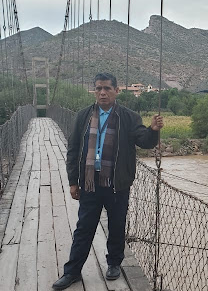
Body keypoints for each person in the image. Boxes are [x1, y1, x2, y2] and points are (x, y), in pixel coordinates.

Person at [52, 73, 164, 290]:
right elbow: (73, 149)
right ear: (94, 91)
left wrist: (153, 131)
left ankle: (113, 263)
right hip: (89, 183)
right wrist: (73, 182)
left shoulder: (129, 117)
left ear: (116, 91)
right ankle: (72, 272)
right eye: (98, 89)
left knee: (116, 226)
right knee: (84, 228)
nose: (102, 93)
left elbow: (144, 141)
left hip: (117, 184)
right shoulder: (83, 116)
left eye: (107, 89)